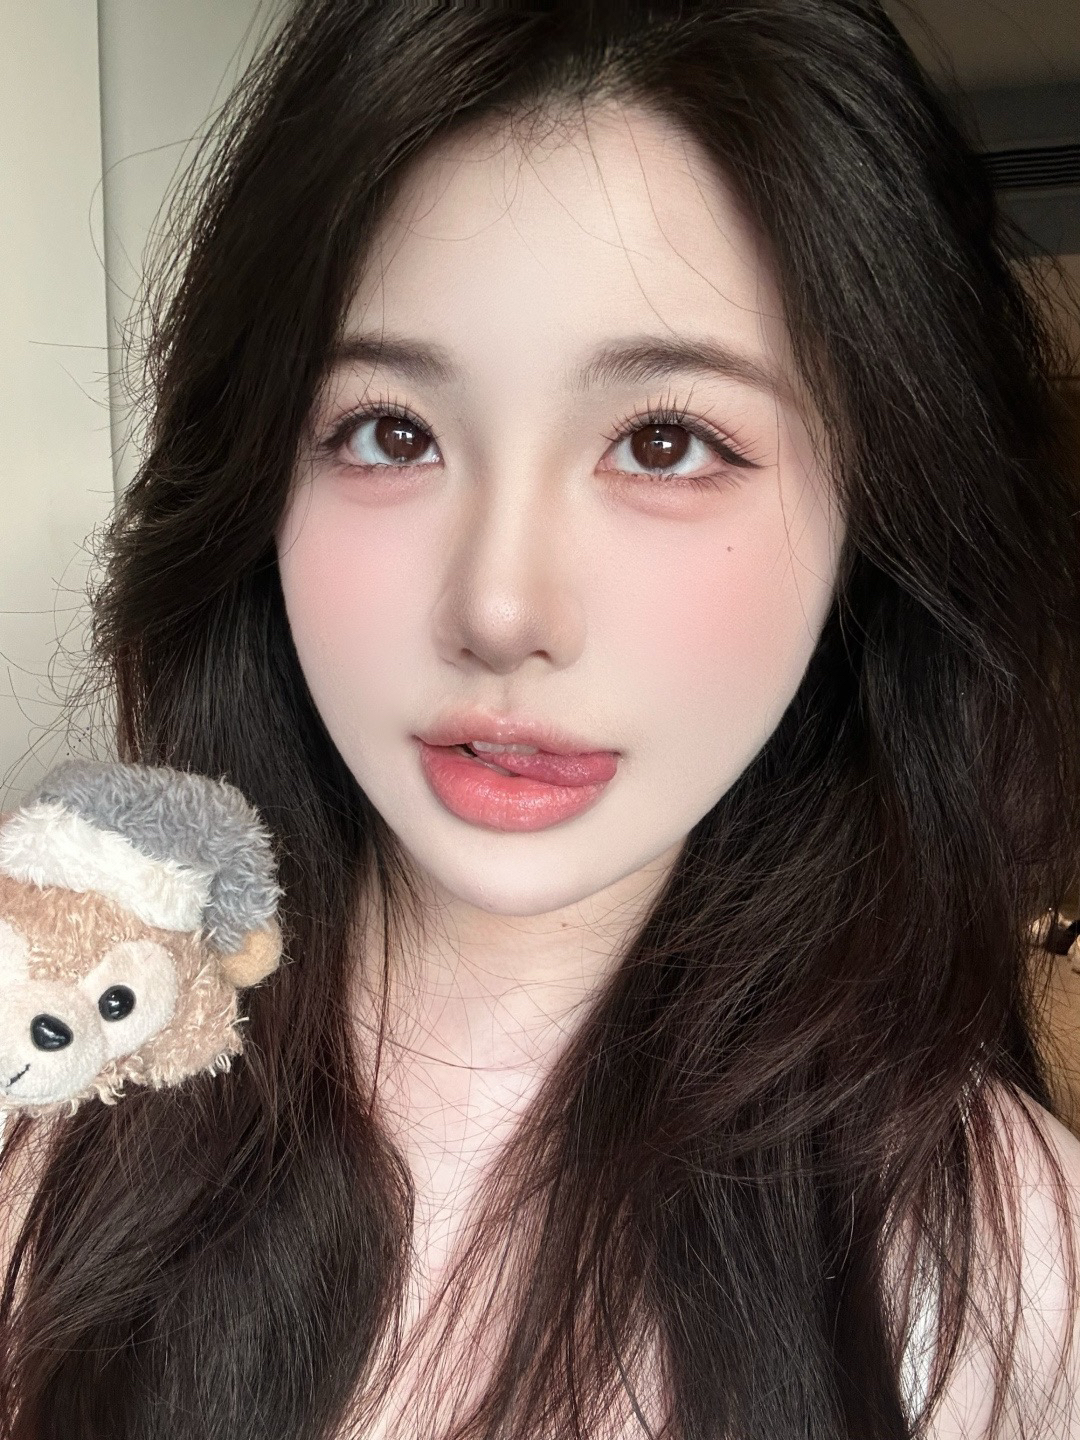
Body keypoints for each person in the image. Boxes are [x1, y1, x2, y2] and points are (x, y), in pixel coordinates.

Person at [2, 1, 1080, 1436]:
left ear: (871, 518)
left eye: (665, 443)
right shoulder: (45, 1090)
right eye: (389, 431)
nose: (502, 609)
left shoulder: (1011, 1273)